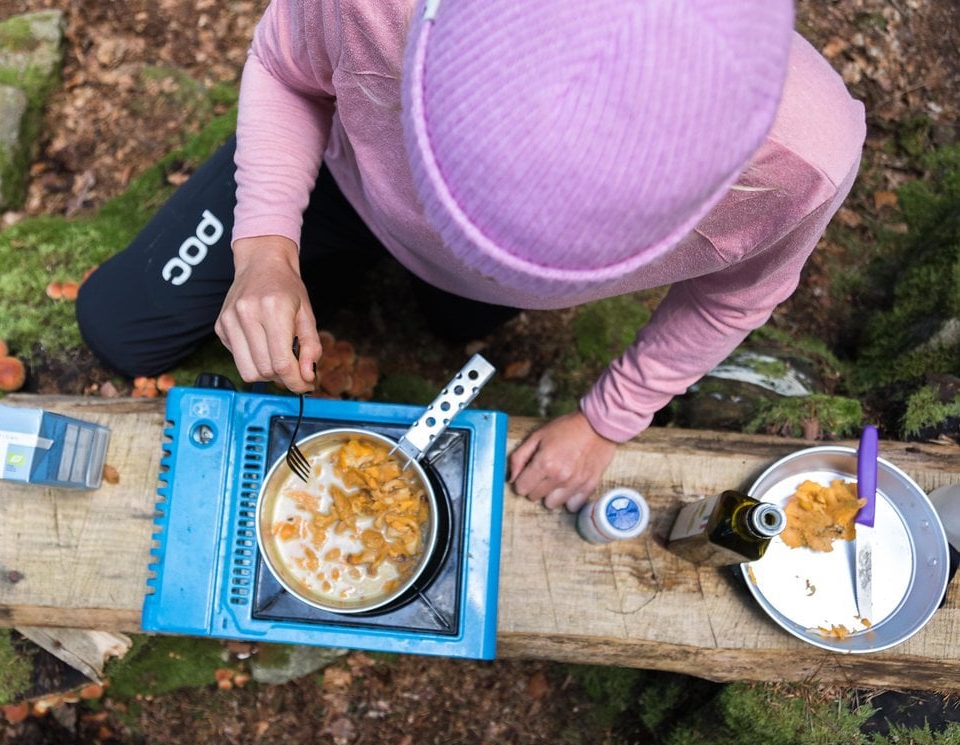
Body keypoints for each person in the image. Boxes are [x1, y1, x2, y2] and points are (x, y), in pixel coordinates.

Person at [76, 0, 865, 512]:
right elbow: (285, 66)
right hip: (340, 179)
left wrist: (607, 421)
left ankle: (438, 288)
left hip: (449, 275)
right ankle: (329, 260)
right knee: (120, 330)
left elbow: (731, 297)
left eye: (538, 261)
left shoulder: (801, 165)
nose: (483, 255)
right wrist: (264, 247)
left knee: (459, 320)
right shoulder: (372, 8)